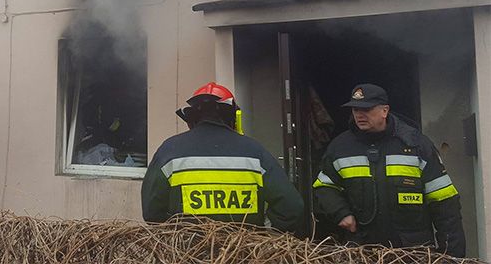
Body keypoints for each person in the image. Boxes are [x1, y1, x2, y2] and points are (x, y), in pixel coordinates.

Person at [313, 83, 466, 257]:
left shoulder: (416, 145)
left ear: (385, 111)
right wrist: (341, 213)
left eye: (367, 109)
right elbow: (324, 186)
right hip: (361, 251)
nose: (359, 115)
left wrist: (452, 256)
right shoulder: (340, 148)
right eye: (355, 110)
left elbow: (445, 203)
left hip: (412, 253)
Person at [141, 82, 304, 231]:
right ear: (233, 117)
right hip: (245, 253)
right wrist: (263, 234)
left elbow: (152, 212)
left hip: (186, 253)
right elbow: (292, 207)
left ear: (191, 119)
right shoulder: (255, 152)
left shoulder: (170, 150)